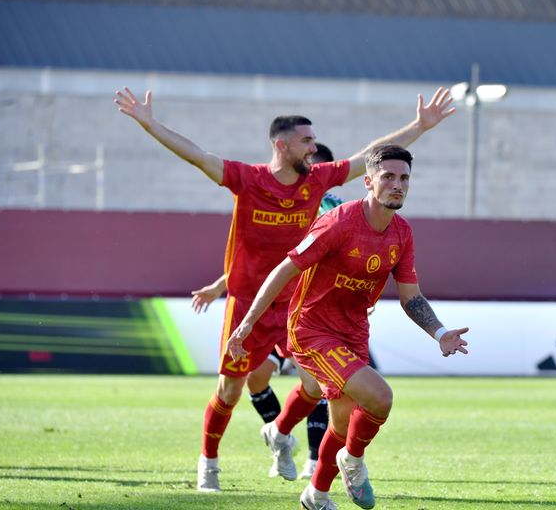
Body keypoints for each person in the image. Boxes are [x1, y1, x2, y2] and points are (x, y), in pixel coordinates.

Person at [114, 86, 455, 492]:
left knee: (314, 386)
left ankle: (280, 436)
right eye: (306, 140)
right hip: (250, 303)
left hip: (300, 302)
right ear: (281, 144)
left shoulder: (319, 180)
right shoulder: (248, 179)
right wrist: (151, 125)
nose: (314, 148)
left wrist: (418, 126)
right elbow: (197, 156)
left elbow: (373, 158)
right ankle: (209, 462)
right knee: (231, 388)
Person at [226, 144, 469, 510]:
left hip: (353, 331)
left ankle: (316, 494)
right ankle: (353, 461)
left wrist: (439, 332)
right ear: (368, 182)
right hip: (311, 330)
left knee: (341, 423)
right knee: (380, 397)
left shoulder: (402, 234)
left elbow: (411, 298)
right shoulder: (338, 221)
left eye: (404, 178)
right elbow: (284, 269)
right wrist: (246, 324)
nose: (397, 184)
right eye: (388, 176)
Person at [190, 144, 341, 480]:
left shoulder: (333, 209)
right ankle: (264, 444)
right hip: (260, 305)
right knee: (246, 383)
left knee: (317, 384)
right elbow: (269, 263)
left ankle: (310, 456)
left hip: (304, 305)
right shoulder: (279, 198)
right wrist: (220, 286)